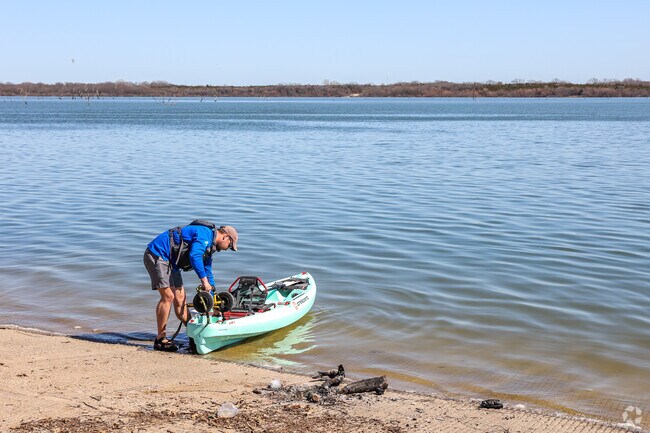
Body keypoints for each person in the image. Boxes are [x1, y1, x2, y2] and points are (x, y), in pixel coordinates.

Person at [143, 221, 238, 351]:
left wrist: (213, 300)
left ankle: (194, 334)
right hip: (157, 254)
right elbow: (194, 255)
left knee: (181, 299)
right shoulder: (204, 235)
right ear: (225, 237)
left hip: (172, 263)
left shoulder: (210, 246)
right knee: (168, 296)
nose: (228, 249)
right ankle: (160, 339)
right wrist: (203, 281)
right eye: (230, 245)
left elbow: (207, 270)